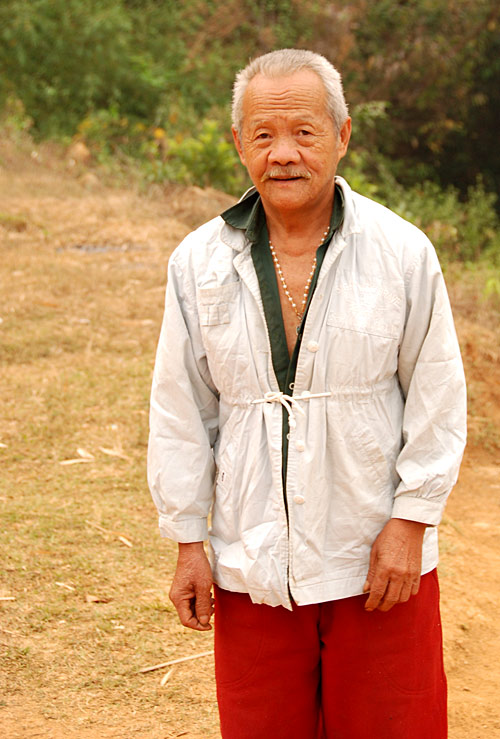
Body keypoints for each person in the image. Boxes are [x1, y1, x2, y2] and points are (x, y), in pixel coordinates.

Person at [148, 49, 466, 738]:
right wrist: (188, 540)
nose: (284, 153)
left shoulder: (401, 252)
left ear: (342, 135)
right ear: (239, 143)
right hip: (252, 558)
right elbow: (182, 410)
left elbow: (438, 395)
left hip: (375, 557)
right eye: (263, 135)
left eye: (304, 132)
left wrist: (412, 521)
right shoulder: (198, 261)